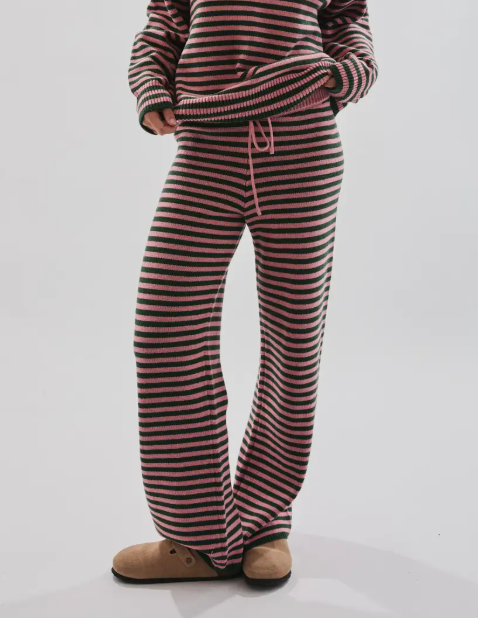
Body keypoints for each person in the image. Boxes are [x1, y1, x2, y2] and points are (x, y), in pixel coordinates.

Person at [112, 0, 378, 588]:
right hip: (205, 147)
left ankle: (263, 523)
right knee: (163, 330)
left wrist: (341, 77)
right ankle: (197, 538)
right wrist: (150, 87)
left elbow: (347, 20)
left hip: (304, 149)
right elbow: (165, 20)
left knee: (293, 339)